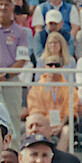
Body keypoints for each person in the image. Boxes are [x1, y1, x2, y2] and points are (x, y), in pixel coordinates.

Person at [0, 0, 31, 137]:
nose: (3, 7)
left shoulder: (21, 32)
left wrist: (5, 75)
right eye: (0, 4)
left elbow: (21, 60)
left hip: (11, 81)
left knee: (12, 119)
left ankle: (14, 154)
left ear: (12, 7)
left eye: (7, 4)